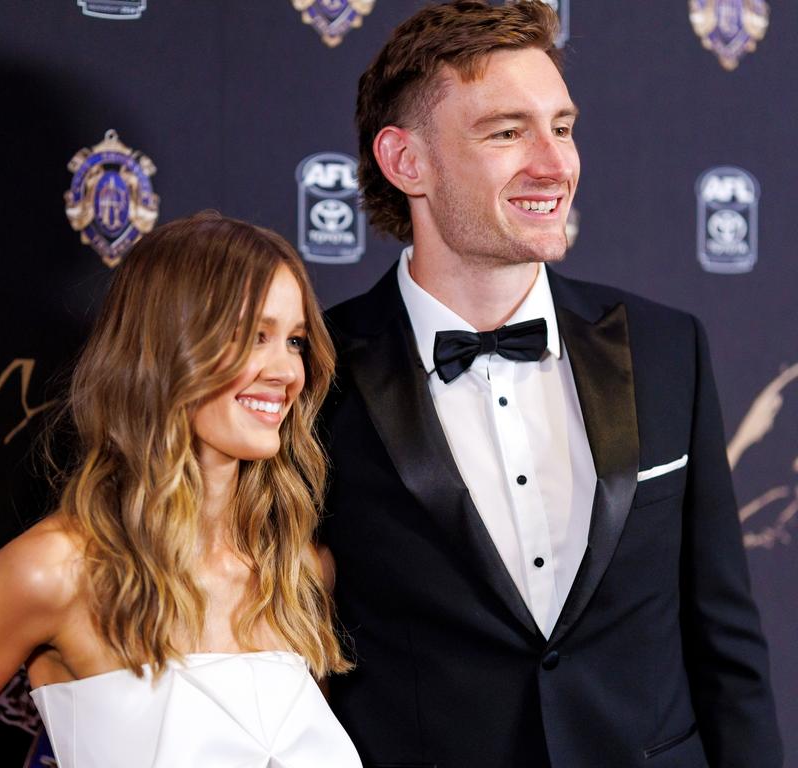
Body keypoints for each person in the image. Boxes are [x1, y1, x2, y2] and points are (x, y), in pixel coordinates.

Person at [318, 2, 783, 767]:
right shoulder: (316, 372)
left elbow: (726, 647)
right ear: (408, 162)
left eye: (562, 127)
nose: (554, 163)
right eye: (507, 131)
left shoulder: (668, 348)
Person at [0, 212, 361, 767]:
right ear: (168, 348)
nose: (287, 370)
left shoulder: (296, 572)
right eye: (252, 336)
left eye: (294, 341)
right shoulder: (56, 573)